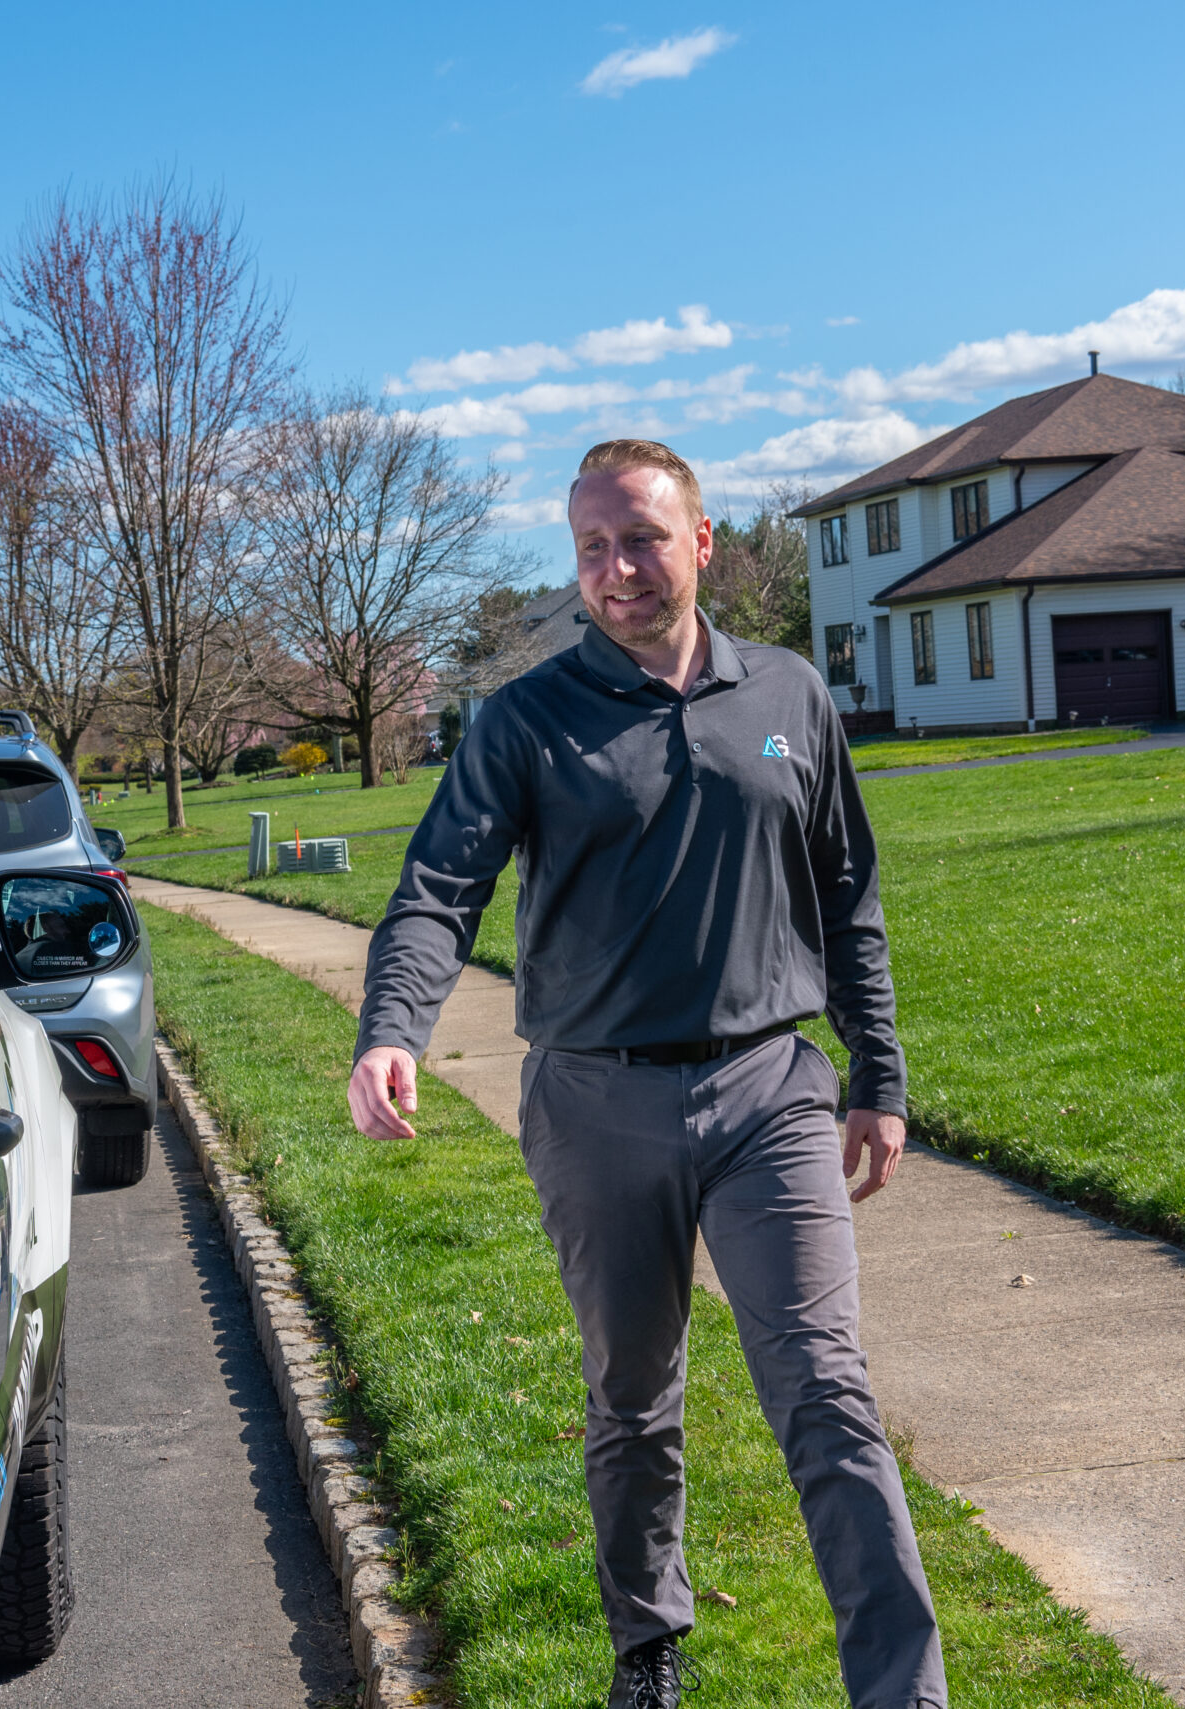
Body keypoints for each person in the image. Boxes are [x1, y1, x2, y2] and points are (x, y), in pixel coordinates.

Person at [347, 441, 946, 1709]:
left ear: (704, 541)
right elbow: (437, 889)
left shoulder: (789, 696)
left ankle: (902, 1693)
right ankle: (647, 1646)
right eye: (591, 550)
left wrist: (877, 1073)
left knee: (827, 1393)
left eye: (641, 541)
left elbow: (848, 895)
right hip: (593, 1102)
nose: (616, 572)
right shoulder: (525, 719)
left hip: (767, 1092)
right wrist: (392, 1025)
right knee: (632, 1398)